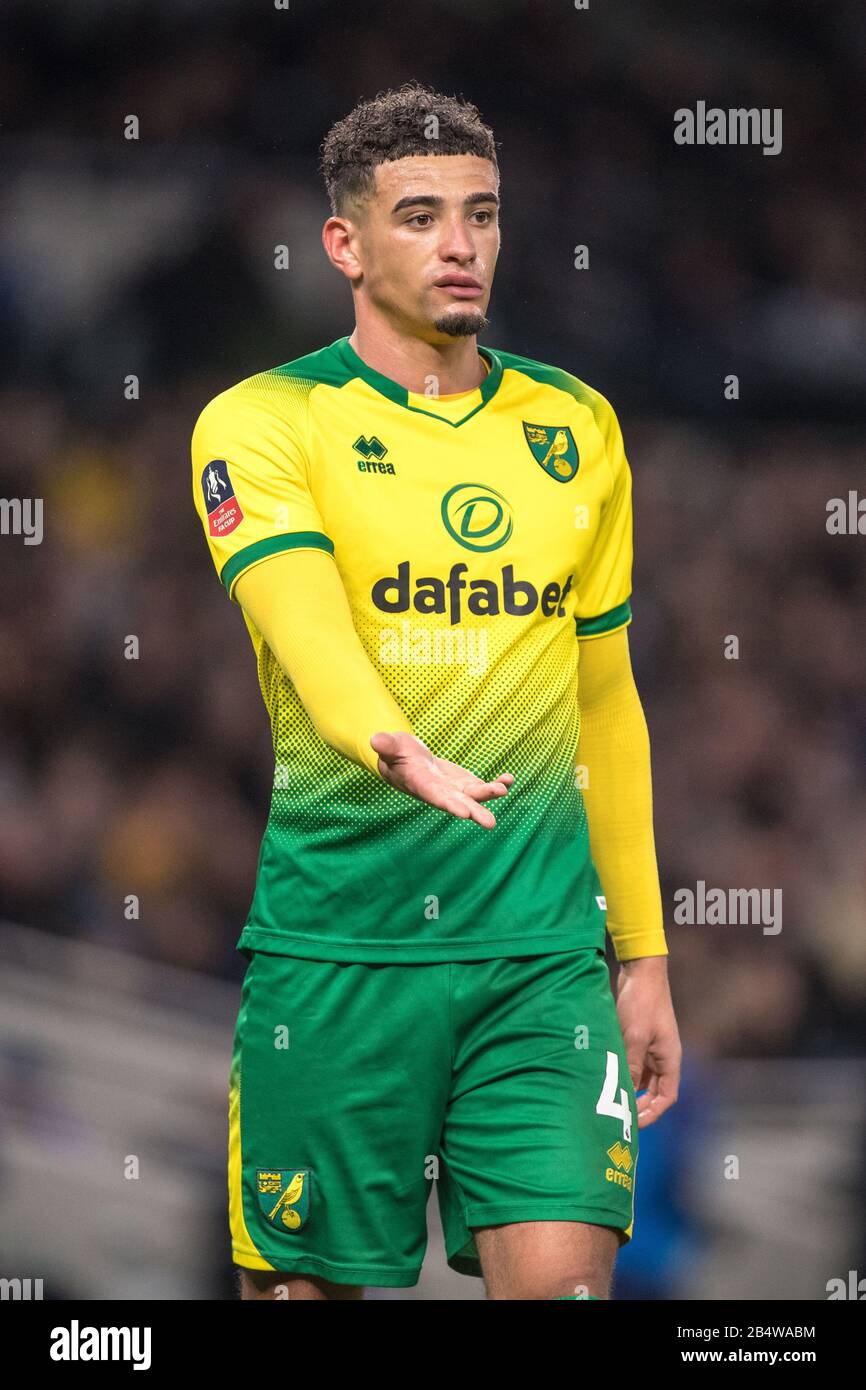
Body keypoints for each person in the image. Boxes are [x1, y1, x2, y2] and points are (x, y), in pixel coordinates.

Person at [191, 81, 681, 1301]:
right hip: (338, 953)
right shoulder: (260, 423)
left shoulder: (575, 424)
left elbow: (604, 702)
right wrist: (395, 746)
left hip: (538, 964)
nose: (460, 245)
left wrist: (646, 952)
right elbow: (305, 626)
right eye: (419, 216)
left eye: (482, 213)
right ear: (345, 246)